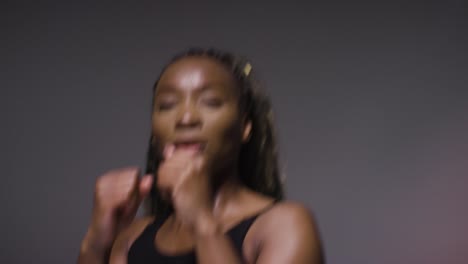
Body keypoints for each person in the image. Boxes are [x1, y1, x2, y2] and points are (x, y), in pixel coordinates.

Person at [77, 48, 324, 264]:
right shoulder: (133, 238)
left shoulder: (284, 226)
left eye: (210, 102)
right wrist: (95, 244)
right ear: (154, 133)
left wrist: (202, 221)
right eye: (167, 105)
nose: (186, 119)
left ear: (245, 126)